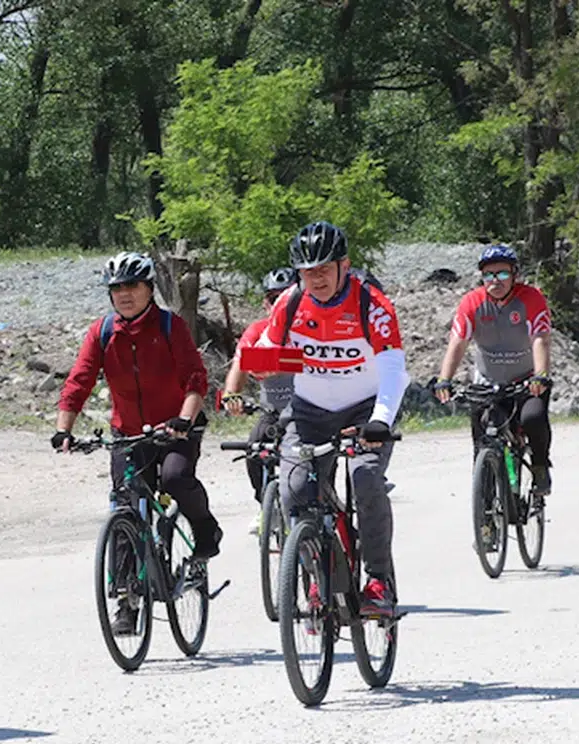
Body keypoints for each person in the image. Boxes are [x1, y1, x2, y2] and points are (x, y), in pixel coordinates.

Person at [53, 251, 222, 634]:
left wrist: (184, 418)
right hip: (128, 434)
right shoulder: (102, 332)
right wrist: (64, 429)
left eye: (132, 286)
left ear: (149, 289)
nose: (124, 294)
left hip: (176, 428)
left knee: (176, 478)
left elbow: (195, 378)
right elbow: (79, 380)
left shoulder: (169, 325)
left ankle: (206, 530)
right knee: (125, 507)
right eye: (117, 288)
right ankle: (127, 602)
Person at [259, 221, 409, 616]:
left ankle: (378, 581)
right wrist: (259, 361)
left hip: (365, 409)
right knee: (292, 489)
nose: (316, 278)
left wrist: (380, 419)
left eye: (324, 268)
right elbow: (266, 347)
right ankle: (316, 578)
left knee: (365, 479)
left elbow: (394, 369)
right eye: (308, 271)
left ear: (345, 264)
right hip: (309, 411)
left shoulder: (371, 304)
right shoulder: (290, 303)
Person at [432, 244, 553, 494]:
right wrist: (445, 379)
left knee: (532, 419)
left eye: (502, 274)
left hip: (526, 381)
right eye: (489, 274)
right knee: (483, 438)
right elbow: (458, 341)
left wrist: (540, 375)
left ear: (514, 274)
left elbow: (540, 338)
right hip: (488, 382)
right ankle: (485, 506)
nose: (495, 280)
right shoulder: (472, 302)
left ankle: (540, 466)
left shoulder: (531, 298)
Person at [222, 267, 298, 533]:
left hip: (310, 411)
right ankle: (266, 507)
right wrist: (232, 394)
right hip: (273, 410)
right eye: (272, 298)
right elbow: (242, 362)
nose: (278, 303)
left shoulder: (310, 329)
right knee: (255, 448)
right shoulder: (258, 330)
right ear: (266, 303)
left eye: (285, 296)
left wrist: (271, 361)